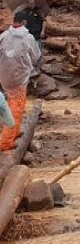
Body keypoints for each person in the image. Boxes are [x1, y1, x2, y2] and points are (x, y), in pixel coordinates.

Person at [0, 11, 41, 150]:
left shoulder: (4, 36)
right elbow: (36, 56)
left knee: (10, 104)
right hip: (19, 77)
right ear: (24, 22)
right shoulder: (28, 38)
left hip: (4, 78)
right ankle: (6, 142)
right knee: (16, 108)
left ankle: (15, 131)